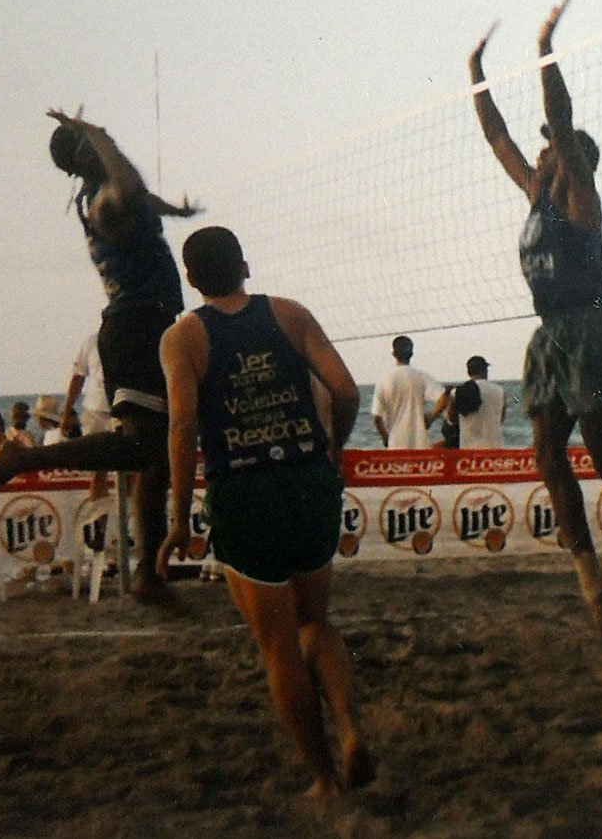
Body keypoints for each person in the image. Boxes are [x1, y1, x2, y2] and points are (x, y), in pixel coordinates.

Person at [157, 226, 374, 803]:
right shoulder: (289, 313)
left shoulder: (183, 337)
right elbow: (348, 392)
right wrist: (335, 449)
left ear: (191, 278)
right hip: (309, 483)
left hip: (246, 492)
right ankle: (351, 729)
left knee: (278, 644)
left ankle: (325, 779)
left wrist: (178, 517)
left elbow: (181, 428)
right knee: (316, 623)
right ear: (245, 266)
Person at [469, 0, 602, 638]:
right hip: (549, 333)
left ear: (573, 158)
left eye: (554, 147)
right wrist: (476, 75)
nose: (543, 150)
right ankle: (589, 571)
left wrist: (544, 48)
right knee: (549, 460)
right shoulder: (532, 192)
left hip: (588, 329)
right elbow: (498, 137)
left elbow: (561, 116)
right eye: (546, 149)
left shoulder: (581, 192)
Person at [0, 108, 200, 605]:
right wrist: (97, 133)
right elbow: (128, 187)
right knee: (146, 450)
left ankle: (148, 574)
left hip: (147, 324)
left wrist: (175, 212)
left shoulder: (108, 200)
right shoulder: (104, 200)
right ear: (84, 155)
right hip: (139, 327)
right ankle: (27, 457)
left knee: (157, 465)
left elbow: (141, 197)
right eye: (94, 144)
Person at [371, 336, 449, 449]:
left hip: (395, 445)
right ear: (411, 353)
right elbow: (444, 397)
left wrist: (385, 438)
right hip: (420, 444)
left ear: (393, 353)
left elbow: (377, 418)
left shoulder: (384, 380)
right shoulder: (421, 377)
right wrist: (431, 417)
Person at [62, 332, 114, 497]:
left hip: (122, 407)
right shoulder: (92, 341)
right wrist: (67, 411)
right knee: (98, 472)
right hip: (96, 410)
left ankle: (128, 517)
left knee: (130, 471)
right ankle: (100, 519)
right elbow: (78, 377)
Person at [452, 355, 507, 449]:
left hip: (468, 447)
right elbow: (501, 419)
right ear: (485, 370)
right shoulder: (500, 391)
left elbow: (452, 419)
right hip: (496, 446)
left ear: (468, 372)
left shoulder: (457, 392)